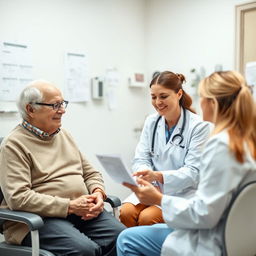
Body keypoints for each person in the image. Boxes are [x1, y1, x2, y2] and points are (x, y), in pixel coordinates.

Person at [117, 70, 256, 256]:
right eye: (154, 97)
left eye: (201, 98)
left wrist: (159, 199)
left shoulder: (220, 144)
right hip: (235, 234)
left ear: (212, 103)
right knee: (127, 214)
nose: (198, 104)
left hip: (210, 238)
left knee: (127, 239)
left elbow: (203, 213)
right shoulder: (244, 140)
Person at [0, 80, 125, 256]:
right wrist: (70, 206)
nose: (63, 110)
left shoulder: (63, 134)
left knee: (124, 238)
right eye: (55, 105)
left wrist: (98, 192)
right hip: (39, 219)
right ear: (30, 109)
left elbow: (90, 173)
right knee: (85, 251)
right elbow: (18, 198)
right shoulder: (13, 145)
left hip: (80, 211)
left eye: (62, 104)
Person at [120, 71, 212, 227]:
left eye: (163, 96)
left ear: (179, 94)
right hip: (152, 187)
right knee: (125, 212)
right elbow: (141, 158)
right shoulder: (151, 121)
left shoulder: (199, 126)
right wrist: (145, 174)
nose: (157, 102)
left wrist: (158, 176)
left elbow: (193, 172)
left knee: (147, 218)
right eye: (153, 97)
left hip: (182, 193)